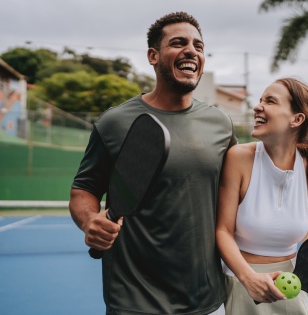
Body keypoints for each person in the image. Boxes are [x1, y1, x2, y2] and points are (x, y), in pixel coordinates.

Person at [69, 12, 237, 315]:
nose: (192, 51)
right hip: (135, 302)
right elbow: (84, 189)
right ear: (153, 56)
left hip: (207, 301)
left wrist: (304, 163)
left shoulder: (221, 124)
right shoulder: (114, 122)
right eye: (178, 43)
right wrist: (89, 221)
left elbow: (243, 181)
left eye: (199, 46)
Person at [215, 78, 308, 315]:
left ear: (296, 119)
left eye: (270, 101)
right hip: (240, 284)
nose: (258, 106)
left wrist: (307, 255)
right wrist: (249, 278)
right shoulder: (238, 157)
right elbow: (222, 231)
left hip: (292, 286)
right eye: (260, 100)